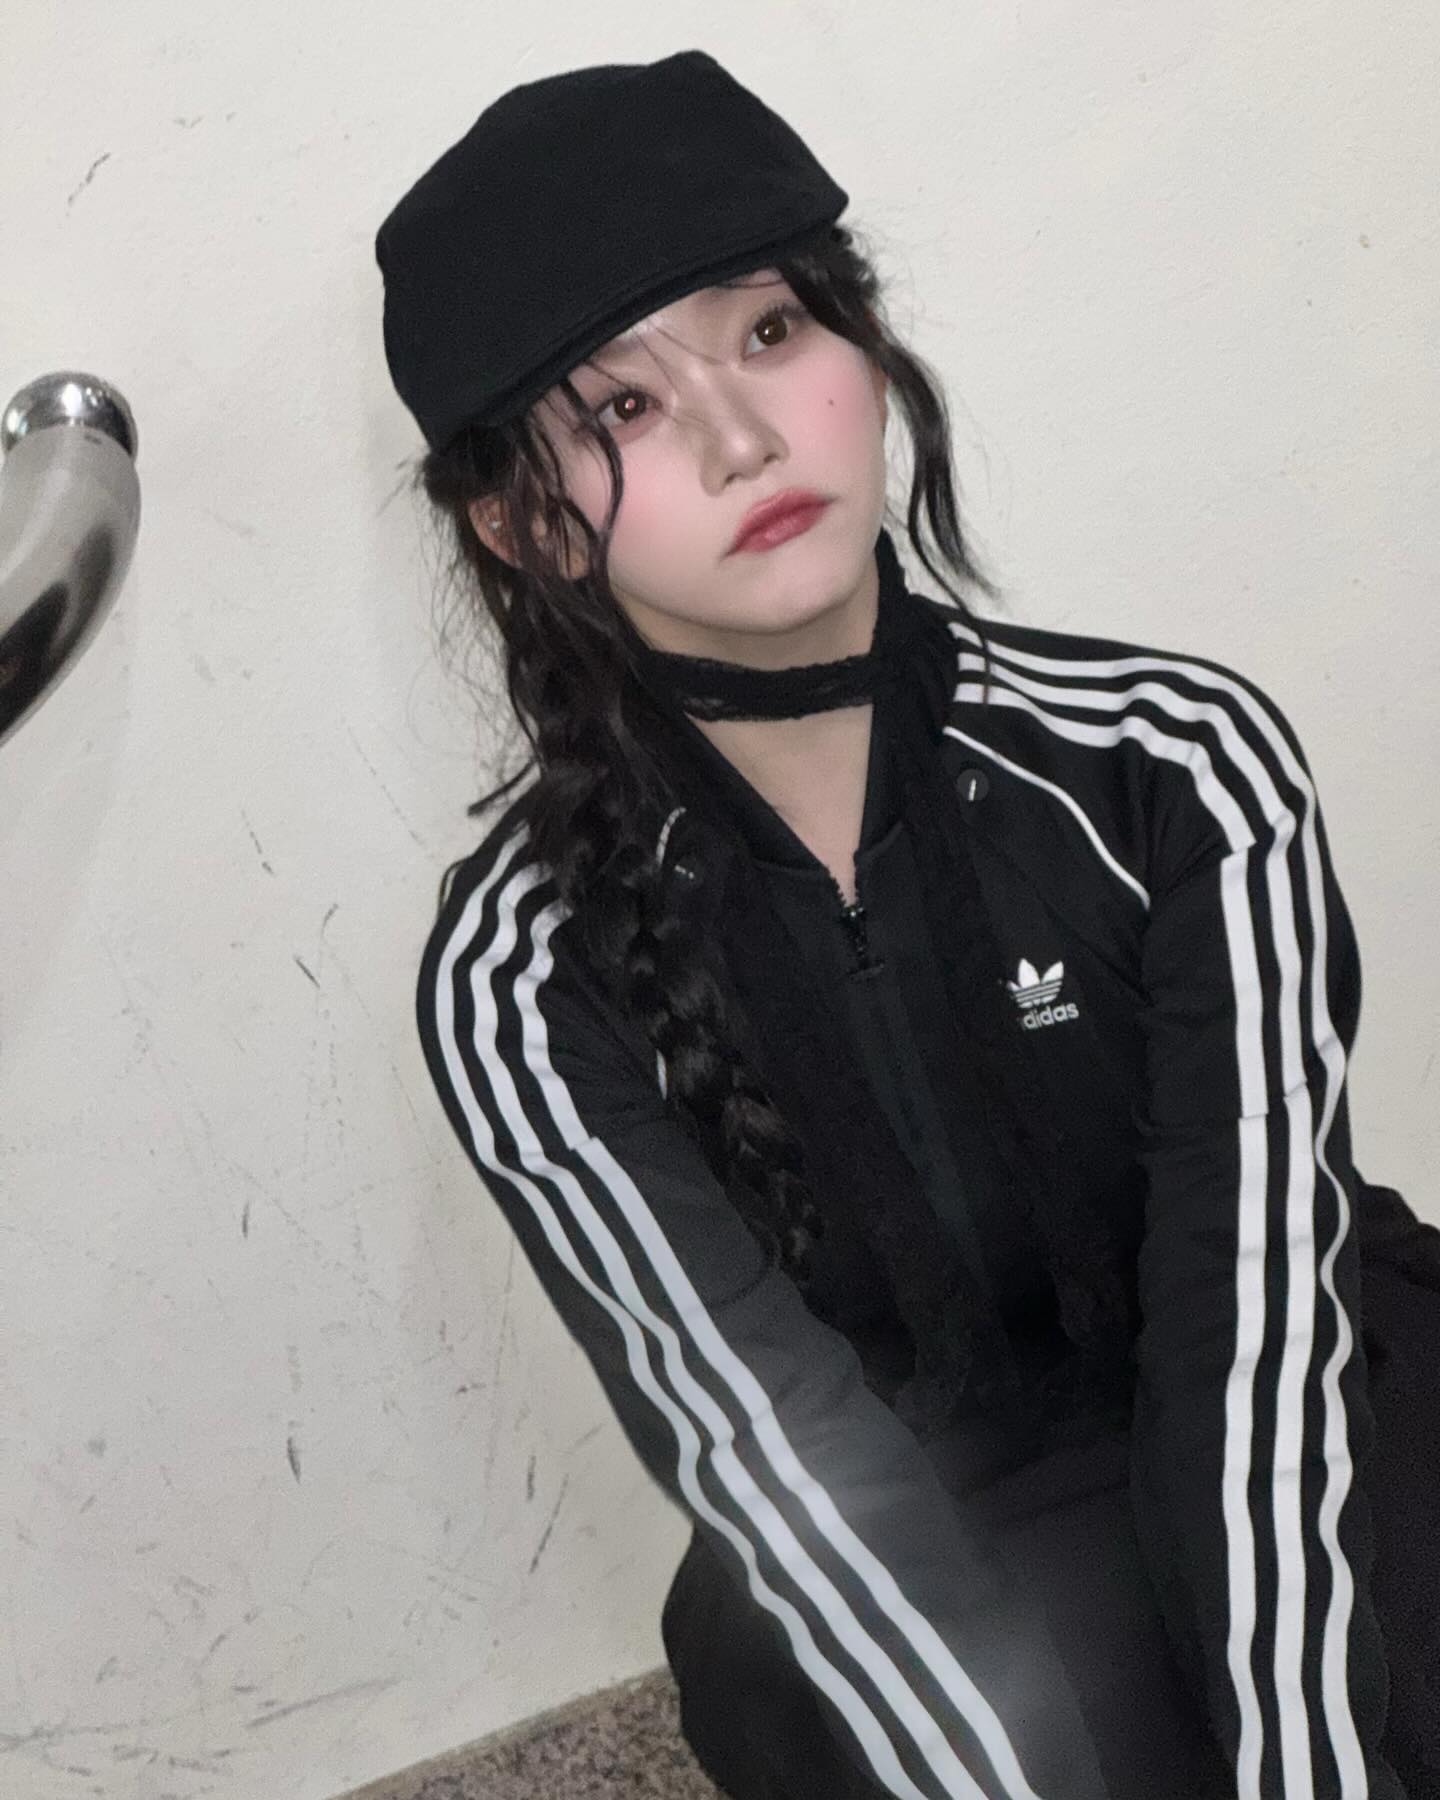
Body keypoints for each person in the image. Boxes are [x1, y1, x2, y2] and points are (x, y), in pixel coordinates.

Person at [376, 49, 1440, 1800]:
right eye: (622, 409)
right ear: (519, 526)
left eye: (770, 331)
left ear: (865, 351)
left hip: (1291, 1412)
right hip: (897, 1524)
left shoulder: (1181, 769)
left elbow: (1249, 1331)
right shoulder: (522, 979)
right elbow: (775, 1461)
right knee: (816, 1687)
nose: (740, 437)